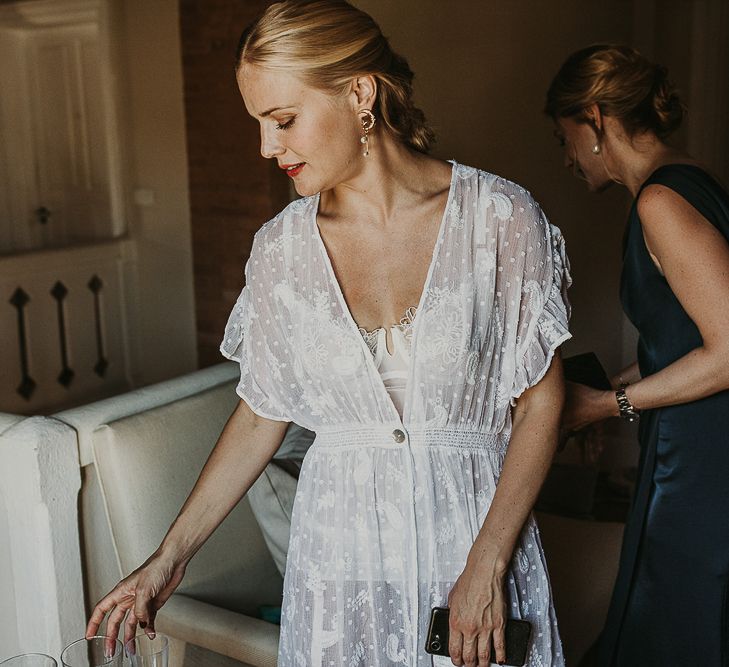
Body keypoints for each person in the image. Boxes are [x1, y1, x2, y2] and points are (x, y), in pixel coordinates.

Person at [87, 2, 572, 665]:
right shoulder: (280, 251)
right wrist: (166, 559)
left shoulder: (499, 219)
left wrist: (486, 564)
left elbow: (540, 401)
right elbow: (263, 413)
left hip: (475, 546)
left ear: (359, 93)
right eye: (259, 124)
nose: (266, 147)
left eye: (282, 120)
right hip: (340, 563)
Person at [545, 44, 729, 666]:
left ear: (594, 119)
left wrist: (608, 403)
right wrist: (592, 397)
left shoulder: (660, 201)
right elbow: (679, 345)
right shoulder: (686, 182)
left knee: (679, 619)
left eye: (564, 135)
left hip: (704, 458)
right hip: (692, 442)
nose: (566, 155)